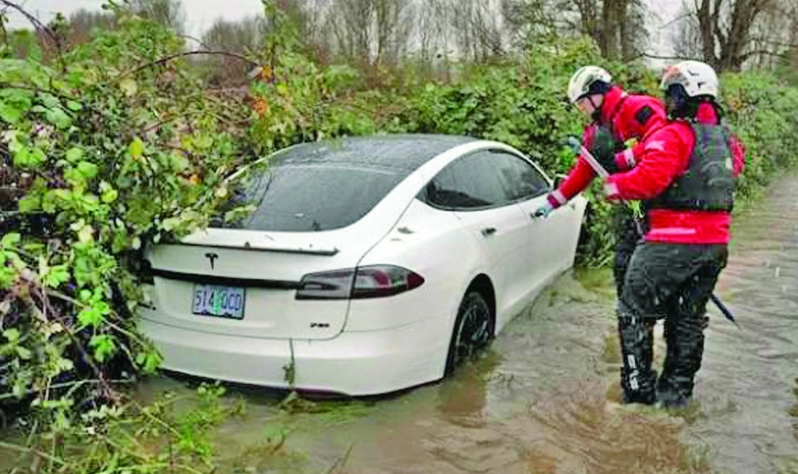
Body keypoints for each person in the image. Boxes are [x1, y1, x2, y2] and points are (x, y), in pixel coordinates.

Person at [601, 60, 745, 408]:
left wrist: (614, 185)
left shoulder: (674, 134)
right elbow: (730, 169)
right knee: (688, 320)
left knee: (633, 312)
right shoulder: (728, 140)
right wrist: (626, 160)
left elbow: (649, 179)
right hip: (714, 247)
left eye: (671, 93)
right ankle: (677, 396)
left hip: (669, 243)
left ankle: (637, 396)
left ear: (683, 95)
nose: (667, 100)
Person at [535, 66, 667, 296]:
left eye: (582, 102)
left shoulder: (640, 108)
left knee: (658, 269)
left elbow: (666, 140)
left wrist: (626, 158)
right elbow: (583, 171)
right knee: (623, 267)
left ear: (597, 94)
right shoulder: (595, 131)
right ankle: (630, 311)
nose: (581, 109)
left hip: (661, 203)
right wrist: (554, 201)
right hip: (630, 208)